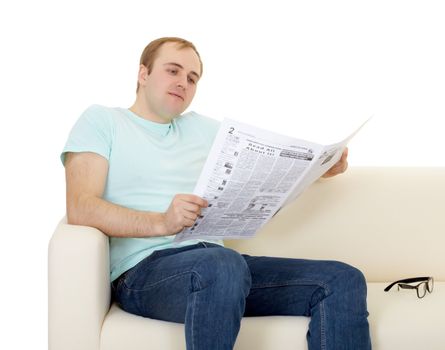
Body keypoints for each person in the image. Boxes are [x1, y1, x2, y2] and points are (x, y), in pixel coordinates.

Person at [62, 36, 371, 350]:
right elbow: (80, 206)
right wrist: (162, 222)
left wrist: (322, 167)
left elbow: (271, 166)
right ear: (143, 74)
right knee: (222, 264)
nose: (183, 82)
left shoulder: (204, 129)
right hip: (145, 273)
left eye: (192, 78)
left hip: (221, 269)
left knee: (342, 280)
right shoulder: (103, 120)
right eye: (173, 71)